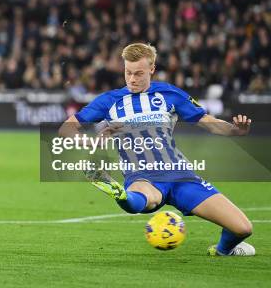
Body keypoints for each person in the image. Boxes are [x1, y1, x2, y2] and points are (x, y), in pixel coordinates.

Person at [61, 43, 255, 256]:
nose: (132, 79)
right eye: (128, 72)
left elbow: (207, 121)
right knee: (142, 200)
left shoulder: (169, 94)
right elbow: (66, 129)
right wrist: (91, 142)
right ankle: (120, 195)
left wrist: (235, 131)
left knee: (243, 228)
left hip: (181, 175)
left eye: (138, 73)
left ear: (152, 69)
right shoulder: (109, 101)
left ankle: (223, 251)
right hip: (142, 176)